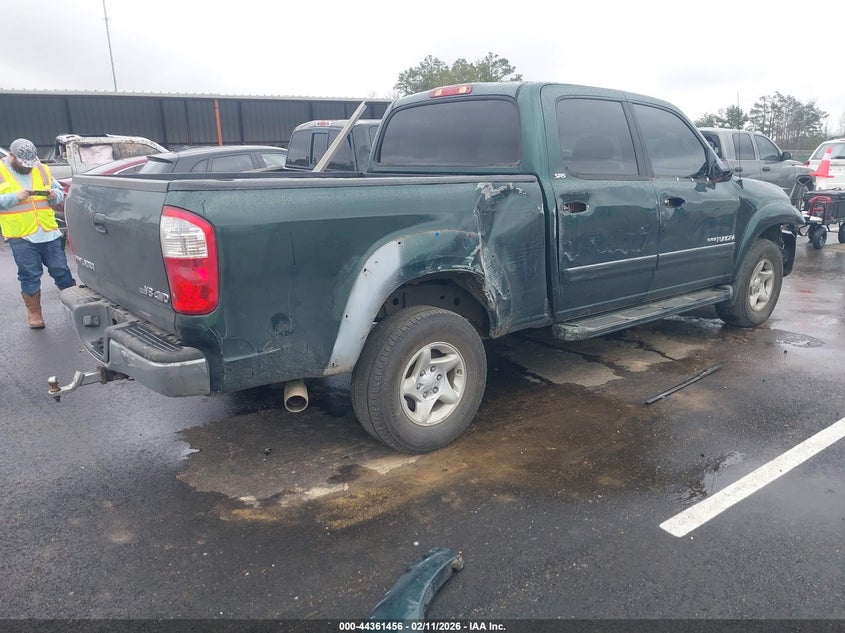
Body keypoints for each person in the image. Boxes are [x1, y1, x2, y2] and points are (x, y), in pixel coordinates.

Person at [0, 138, 75, 329]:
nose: (28, 168)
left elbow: (59, 191)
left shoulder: (41, 168)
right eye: (23, 164)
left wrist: (53, 195)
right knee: (29, 275)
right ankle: (34, 314)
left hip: (48, 231)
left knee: (61, 270)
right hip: (21, 235)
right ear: (11, 156)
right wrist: (13, 198)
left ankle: (76, 308)